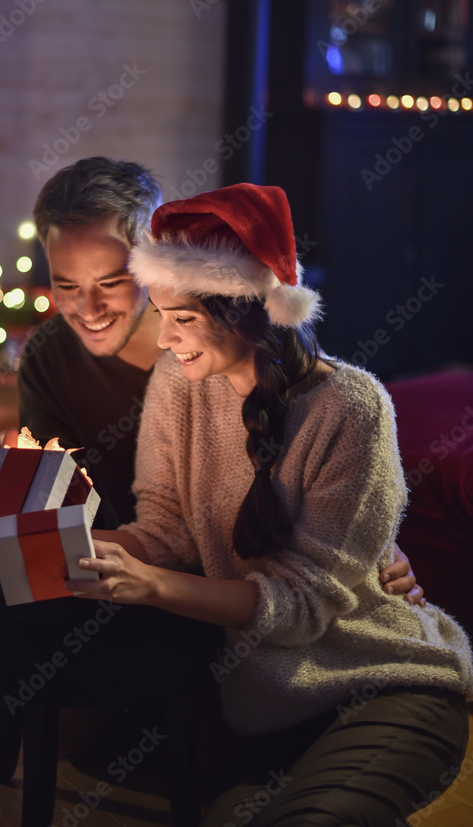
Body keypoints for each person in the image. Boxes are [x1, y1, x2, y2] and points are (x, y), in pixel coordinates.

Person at [60, 182, 472, 825]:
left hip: (382, 684)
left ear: (245, 312)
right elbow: (166, 527)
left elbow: (300, 605)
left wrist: (154, 586)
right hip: (266, 713)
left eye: (183, 318)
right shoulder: (180, 382)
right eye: (162, 314)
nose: (165, 339)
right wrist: (60, 545)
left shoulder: (351, 408)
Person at [0, 156, 422, 602]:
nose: (88, 309)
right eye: (66, 286)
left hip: (220, 587)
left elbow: (324, 454)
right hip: (135, 559)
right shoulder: (60, 360)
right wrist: (2, 504)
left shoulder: (236, 356)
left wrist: (371, 548)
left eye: (112, 282)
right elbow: (95, 514)